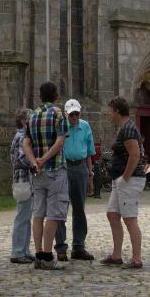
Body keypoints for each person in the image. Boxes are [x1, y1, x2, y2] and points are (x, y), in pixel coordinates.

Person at [23, 81, 69, 271]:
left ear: (40, 96)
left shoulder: (32, 115)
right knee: (53, 214)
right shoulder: (59, 114)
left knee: (38, 213)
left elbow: (26, 143)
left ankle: (39, 254)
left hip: (38, 173)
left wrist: (34, 162)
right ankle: (48, 256)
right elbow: (60, 141)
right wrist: (44, 159)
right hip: (55, 169)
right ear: (56, 95)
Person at [100, 96, 146, 270]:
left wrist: (125, 177)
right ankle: (116, 255)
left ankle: (136, 259)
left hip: (130, 179)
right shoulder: (122, 128)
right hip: (120, 179)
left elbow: (135, 155)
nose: (109, 114)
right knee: (112, 214)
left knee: (130, 219)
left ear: (117, 111)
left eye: (110, 111)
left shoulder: (128, 129)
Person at [54, 98, 96, 261]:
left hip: (80, 168)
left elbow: (89, 153)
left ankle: (79, 246)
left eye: (77, 114)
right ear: (66, 114)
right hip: (64, 167)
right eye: (71, 114)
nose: (74, 117)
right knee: (61, 208)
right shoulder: (61, 126)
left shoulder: (85, 126)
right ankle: (61, 247)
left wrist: (90, 175)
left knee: (79, 208)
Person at [9, 107, 34, 264]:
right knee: (22, 216)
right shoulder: (21, 137)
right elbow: (20, 160)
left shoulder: (23, 136)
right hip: (23, 180)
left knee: (26, 217)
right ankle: (18, 251)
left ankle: (24, 250)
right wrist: (34, 161)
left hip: (26, 180)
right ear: (25, 121)